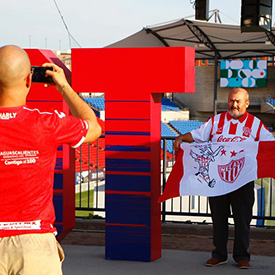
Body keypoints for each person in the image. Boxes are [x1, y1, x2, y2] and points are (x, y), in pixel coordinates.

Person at [0, 45, 101, 274]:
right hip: (34, 244)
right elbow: (94, 127)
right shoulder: (47, 124)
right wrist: (63, 86)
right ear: (28, 80)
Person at [173, 88, 274, 269]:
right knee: (218, 219)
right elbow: (197, 135)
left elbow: (270, 145)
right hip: (217, 181)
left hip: (242, 181)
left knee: (242, 220)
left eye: (238, 101)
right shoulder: (216, 121)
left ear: (247, 103)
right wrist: (181, 138)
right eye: (231, 100)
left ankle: (242, 256)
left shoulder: (255, 124)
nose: (234, 105)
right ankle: (219, 254)